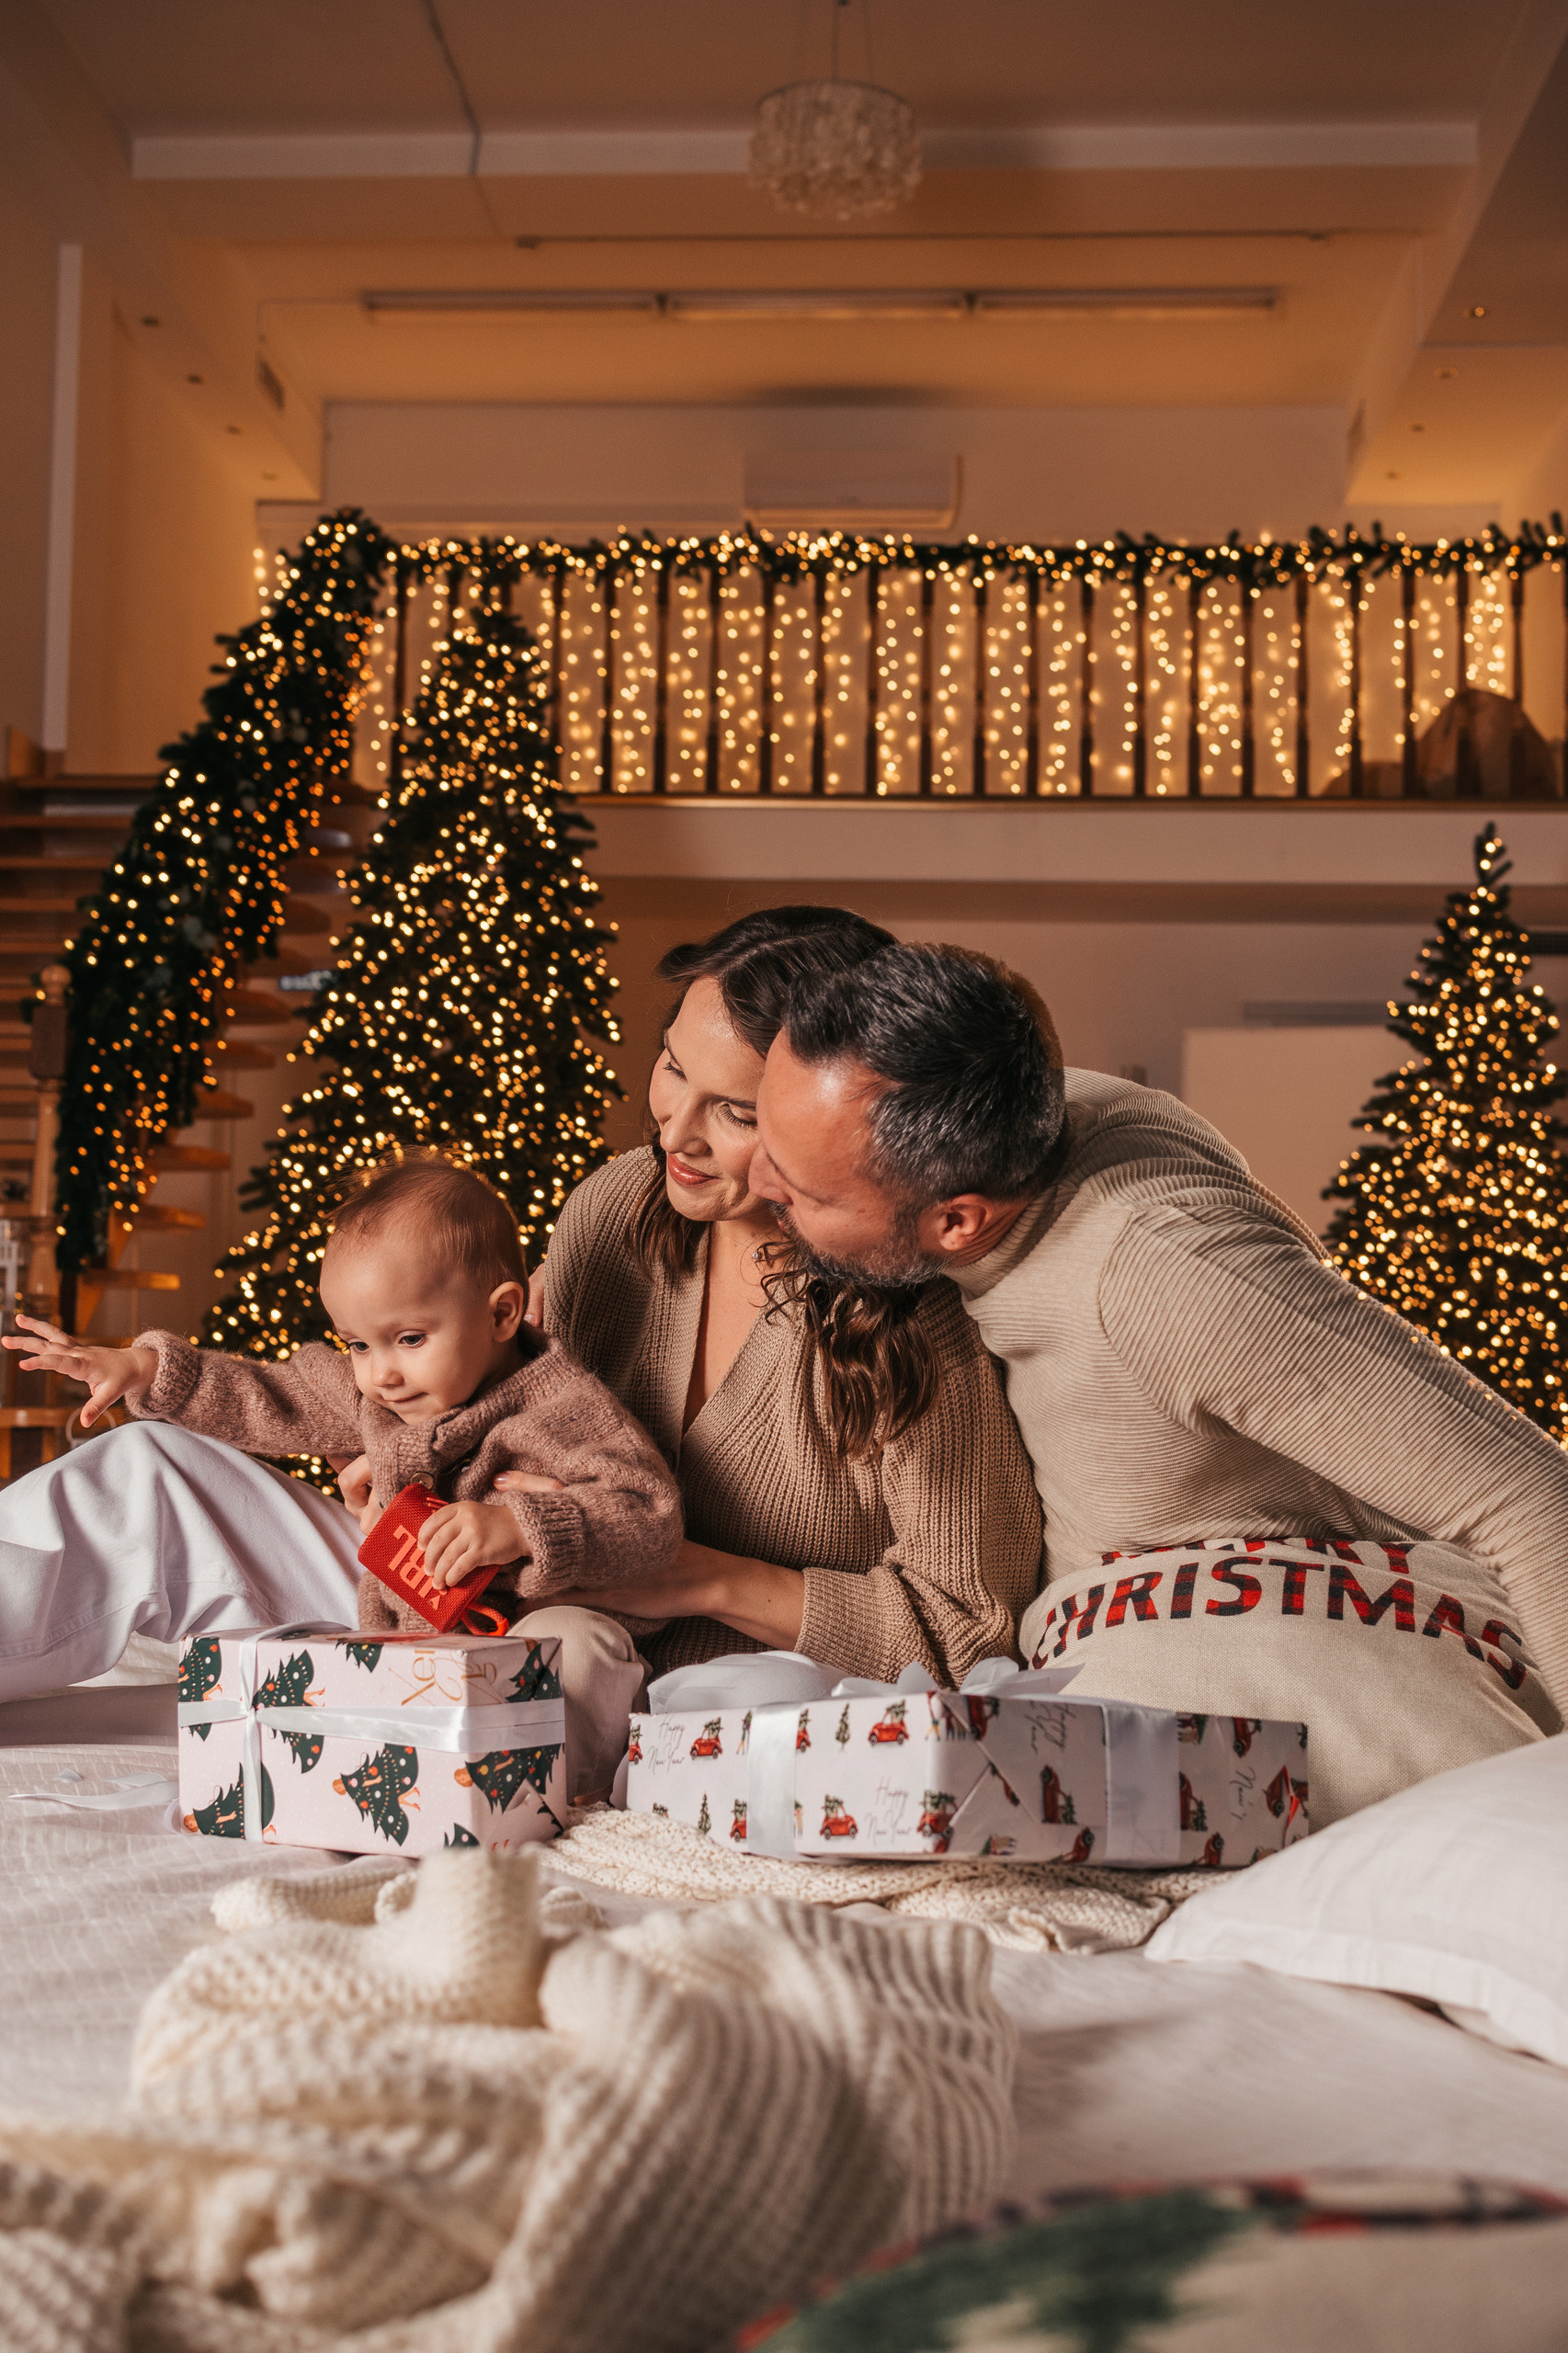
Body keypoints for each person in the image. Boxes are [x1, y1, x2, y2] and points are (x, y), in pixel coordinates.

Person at [745, 937, 1568, 1728]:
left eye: (800, 1190)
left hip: (1345, 1662)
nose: (754, 1179)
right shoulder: (1016, 1107)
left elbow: (1531, 1499)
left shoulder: (1167, 1274)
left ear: (958, 1220)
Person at [0, 1155, 682, 1799]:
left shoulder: (565, 1407)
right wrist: (148, 1371)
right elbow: (272, 1395)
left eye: (409, 1339)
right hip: (392, 1620)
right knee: (151, 1465)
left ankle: (533, 1795)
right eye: (358, 1343)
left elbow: (650, 1517)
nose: (379, 1371)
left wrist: (519, 1527)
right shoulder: (381, 1394)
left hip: (523, 1630)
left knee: (585, 1652)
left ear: (503, 1313)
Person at [529, 907, 1044, 1686]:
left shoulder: (909, 1319)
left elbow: (969, 1630)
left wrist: (699, 1578)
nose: (674, 1136)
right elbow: (523, 1426)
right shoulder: (615, 1209)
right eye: (673, 1068)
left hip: (774, 1719)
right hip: (545, 1652)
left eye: (736, 1113)